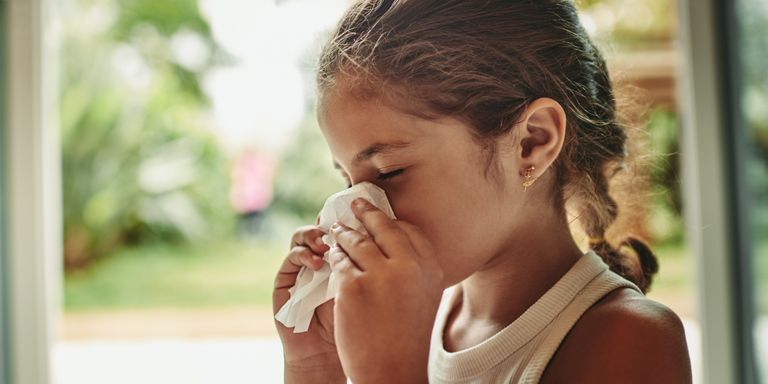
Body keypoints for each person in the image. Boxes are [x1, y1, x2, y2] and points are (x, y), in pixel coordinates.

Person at [272, 0, 692, 383]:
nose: (354, 211)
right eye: (347, 181)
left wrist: (390, 372)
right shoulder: (422, 316)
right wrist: (317, 366)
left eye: (389, 172)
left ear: (531, 143)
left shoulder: (631, 340)